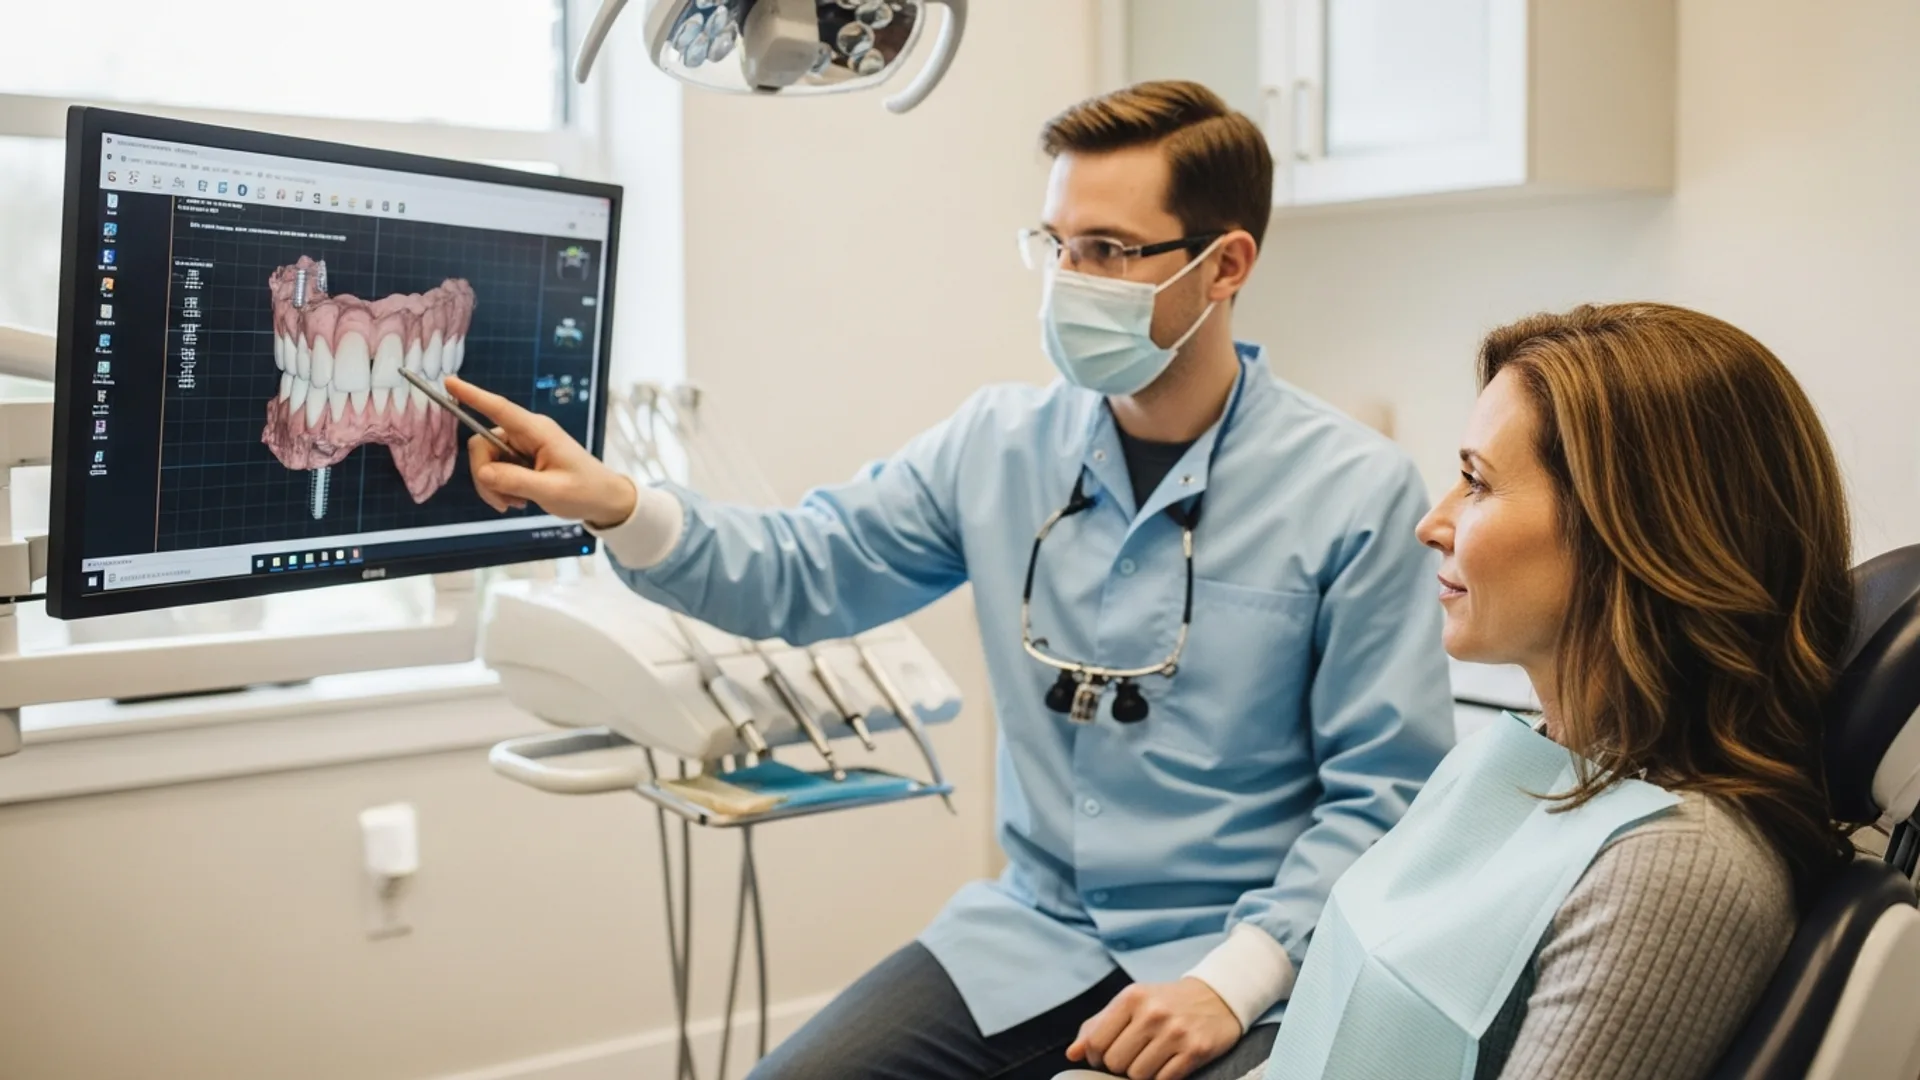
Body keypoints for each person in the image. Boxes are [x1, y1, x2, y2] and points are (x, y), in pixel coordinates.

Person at [449, 80, 1453, 1080]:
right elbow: (802, 569)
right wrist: (618, 504)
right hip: (1033, 937)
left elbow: (1386, 793)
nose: (1068, 280)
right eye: (1055, 244)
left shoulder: (1353, 491)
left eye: (1107, 250)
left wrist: (1233, 981)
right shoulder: (999, 446)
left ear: (1224, 264)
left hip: (1246, 957)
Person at [1235, 303, 1867, 1080]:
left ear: (1633, 529)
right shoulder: (1530, 760)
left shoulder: (1675, 867)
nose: (1432, 523)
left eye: (1476, 483)